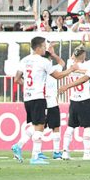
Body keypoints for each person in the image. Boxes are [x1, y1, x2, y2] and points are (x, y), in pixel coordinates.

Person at [11, 37, 72, 165]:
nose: (45, 48)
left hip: (27, 97)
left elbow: (16, 79)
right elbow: (58, 76)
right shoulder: (43, 61)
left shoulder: (24, 60)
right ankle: (35, 156)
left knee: (36, 125)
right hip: (38, 97)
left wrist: (28, 87)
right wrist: (72, 69)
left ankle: (19, 145)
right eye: (44, 46)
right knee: (39, 126)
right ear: (38, 48)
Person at [61, 45, 90, 161]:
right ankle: (86, 153)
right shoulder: (87, 66)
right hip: (84, 100)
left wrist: (78, 49)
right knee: (87, 127)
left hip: (73, 100)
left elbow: (72, 57)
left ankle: (65, 151)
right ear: (83, 55)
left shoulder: (70, 63)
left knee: (70, 126)